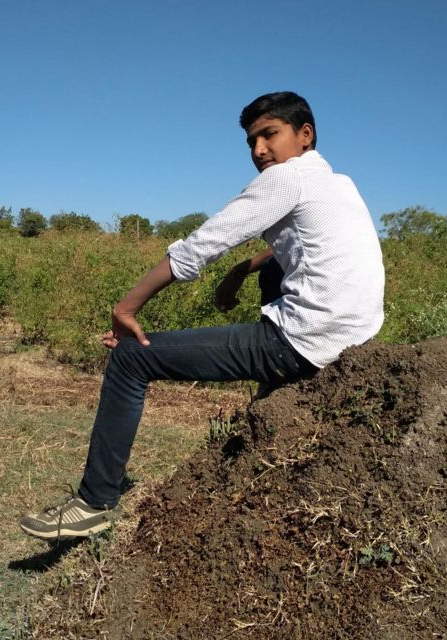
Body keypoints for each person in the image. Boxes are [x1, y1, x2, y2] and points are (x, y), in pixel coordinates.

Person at [19, 91, 385, 540]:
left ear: (304, 134)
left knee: (131, 357)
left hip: (305, 342)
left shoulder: (286, 178)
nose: (259, 150)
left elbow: (203, 245)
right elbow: (300, 246)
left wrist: (126, 308)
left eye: (269, 135)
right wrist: (241, 270)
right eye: (251, 142)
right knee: (275, 269)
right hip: (354, 338)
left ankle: (92, 504)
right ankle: (275, 395)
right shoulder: (339, 184)